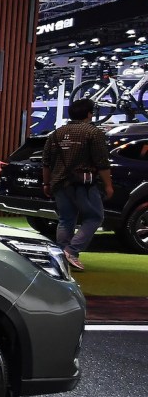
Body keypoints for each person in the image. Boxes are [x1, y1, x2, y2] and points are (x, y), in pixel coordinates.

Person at [41, 98, 114, 272]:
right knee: (95, 217)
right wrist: (108, 185)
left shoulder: (57, 133)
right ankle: (71, 251)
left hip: (59, 183)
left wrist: (46, 183)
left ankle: (61, 257)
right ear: (89, 114)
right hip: (83, 184)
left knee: (66, 219)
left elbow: (46, 162)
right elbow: (102, 162)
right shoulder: (93, 133)